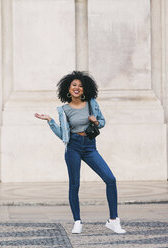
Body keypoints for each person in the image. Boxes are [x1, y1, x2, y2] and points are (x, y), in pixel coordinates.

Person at [34, 71, 126, 234]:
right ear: (68, 89)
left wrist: (95, 121)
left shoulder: (92, 103)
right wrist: (50, 121)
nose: (77, 88)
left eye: (81, 86)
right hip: (73, 147)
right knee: (74, 185)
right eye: (74, 85)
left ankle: (113, 220)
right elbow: (63, 134)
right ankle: (77, 221)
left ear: (85, 89)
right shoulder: (64, 109)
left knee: (110, 179)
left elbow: (102, 122)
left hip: (90, 147)